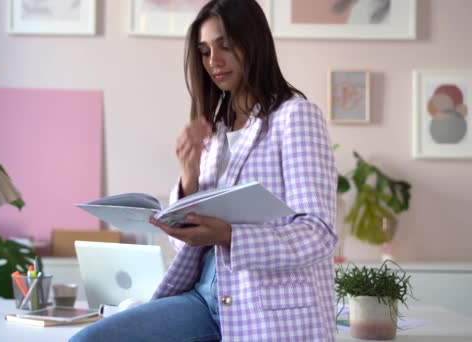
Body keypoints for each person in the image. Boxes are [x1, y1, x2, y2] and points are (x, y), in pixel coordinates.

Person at [70, 0, 337, 340]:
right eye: (205, 50)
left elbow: (319, 233)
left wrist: (228, 235)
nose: (214, 61)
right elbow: (186, 246)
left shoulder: (295, 117)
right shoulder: (215, 130)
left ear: (253, 42)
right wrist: (188, 176)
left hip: (266, 307)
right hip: (205, 297)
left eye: (225, 45)